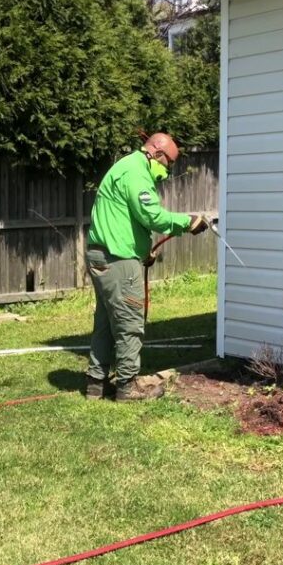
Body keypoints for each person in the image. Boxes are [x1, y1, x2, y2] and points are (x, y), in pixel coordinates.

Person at [84, 132, 208, 401]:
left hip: (102, 254)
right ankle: (127, 386)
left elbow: (127, 218)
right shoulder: (137, 171)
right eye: (168, 163)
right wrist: (188, 221)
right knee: (130, 322)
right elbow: (151, 215)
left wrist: (143, 251)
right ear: (156, 152)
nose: (167, 170)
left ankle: (96, 384)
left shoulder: (125, 167)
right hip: (117, 259)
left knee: (105, 322)